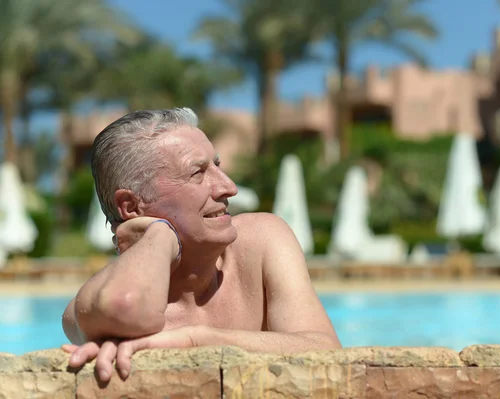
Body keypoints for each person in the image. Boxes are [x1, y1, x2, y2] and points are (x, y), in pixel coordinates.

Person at [61, 108, 341, 382]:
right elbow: (124, 305)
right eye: (198, 173)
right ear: (132, 206)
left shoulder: (262, 240)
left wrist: (199, 340)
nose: (229, 187)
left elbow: (329, 354)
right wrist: (160, 235)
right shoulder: (94, 306)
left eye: (217, 166)